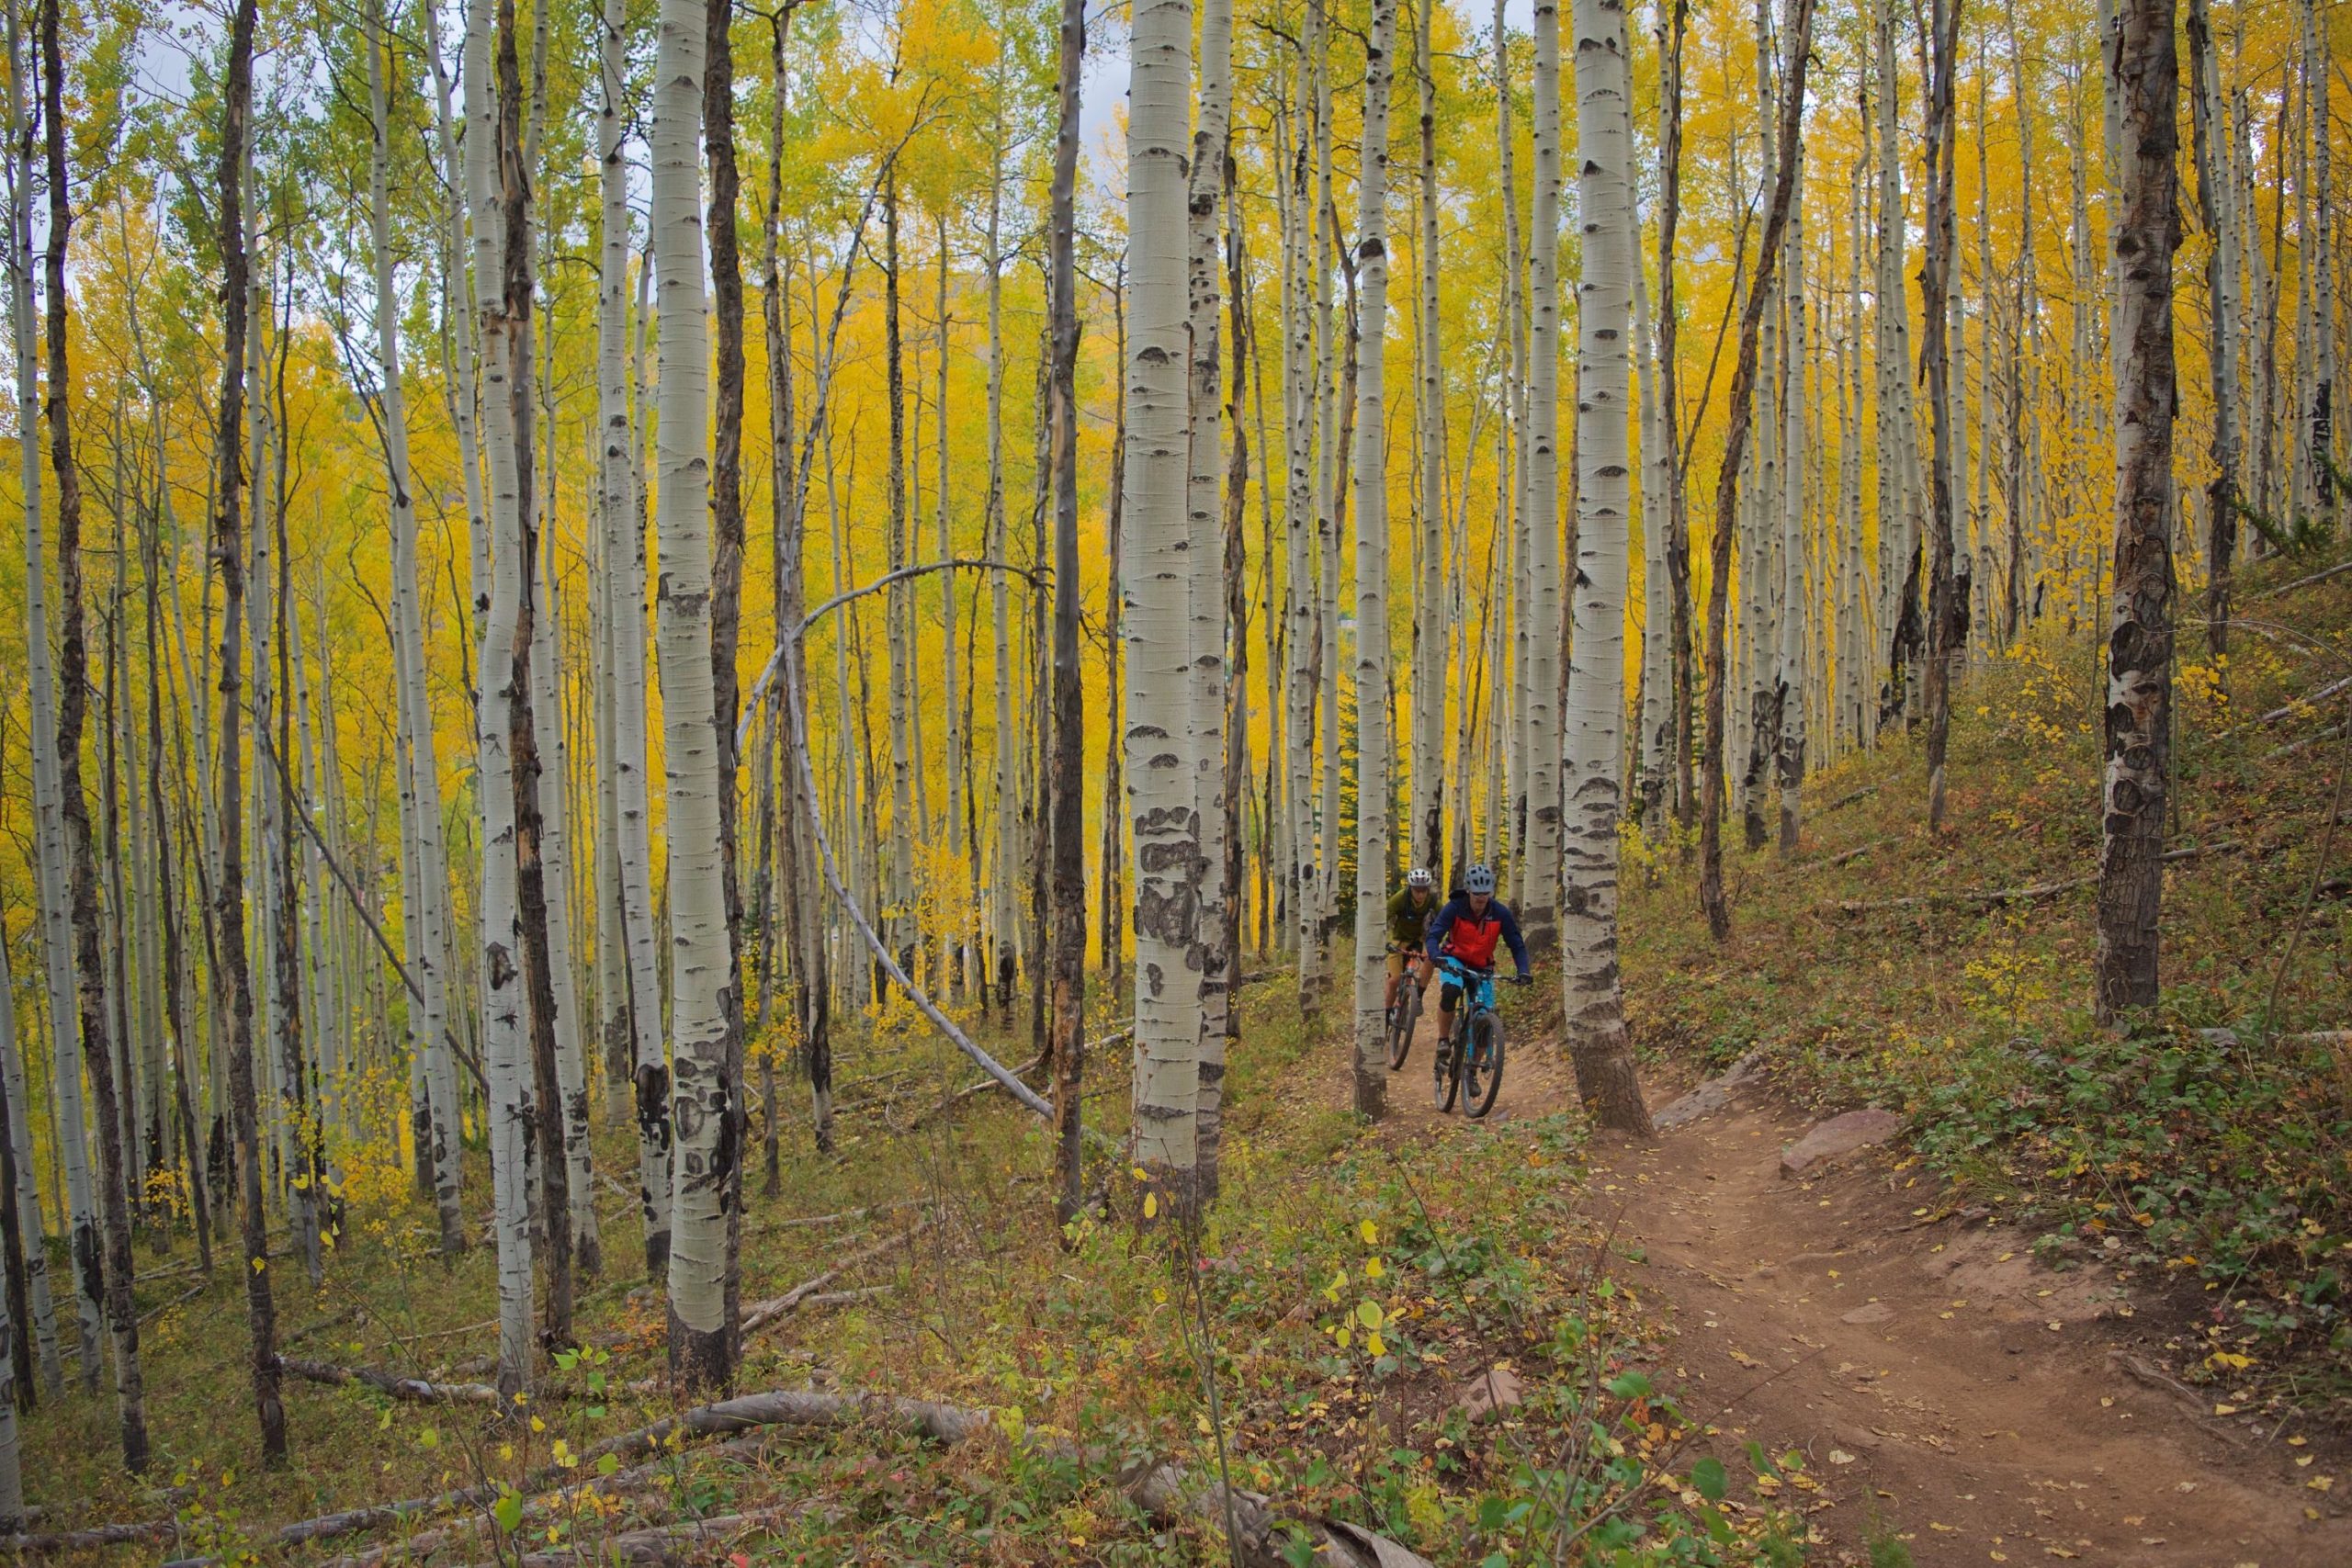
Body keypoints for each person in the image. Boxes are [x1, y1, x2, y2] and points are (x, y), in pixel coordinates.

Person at [1423, 862, 1532, 1055]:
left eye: (1485, 893)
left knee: (1485, 1019)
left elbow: (1517, 945)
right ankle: (1443, 1039)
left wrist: (1523, 970)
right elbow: (1433, 935)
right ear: (1468, 891)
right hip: (1454, 960)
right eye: (1476, 893)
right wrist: (1436, 956)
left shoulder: (1500, 913)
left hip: (1482, 966)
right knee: (1450, 991)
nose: (1481, 898)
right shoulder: (1455, 907)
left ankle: (1472, 1072)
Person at [1385, 867, 1441, 1019]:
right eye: (1417, 890)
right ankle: (1386, 1016)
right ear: (1411, 888)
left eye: (1424, 890)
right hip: (1400, 939)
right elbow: (1383, 918)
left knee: (1431, 958)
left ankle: (1418, 996)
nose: (1421, 894)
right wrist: (1383, 941)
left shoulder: (1433, 900)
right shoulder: (1399, 898)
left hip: (1421, 940)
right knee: (1394, 981)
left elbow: (1444, 919)